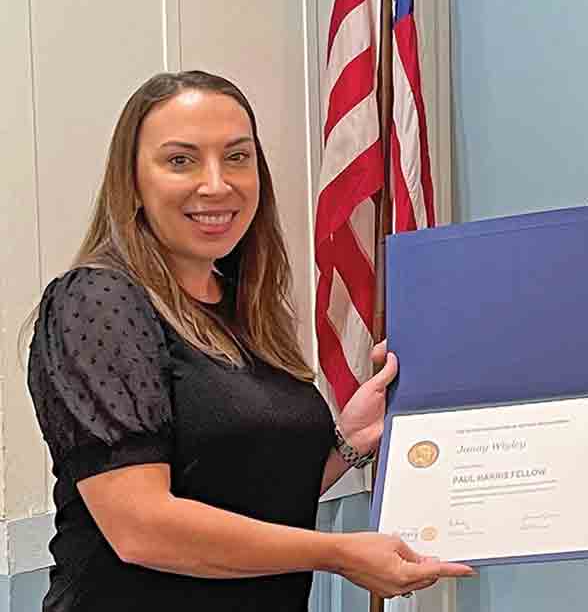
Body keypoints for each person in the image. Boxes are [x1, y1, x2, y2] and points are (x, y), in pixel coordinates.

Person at [26, 70, 473, 612]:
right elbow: (140, 527)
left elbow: (242, 487)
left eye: (237, 157)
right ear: (133, 182)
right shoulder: (98, 299)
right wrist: (336, 553)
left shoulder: (240, 306)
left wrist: (349, 441)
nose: (216, 184)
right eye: (180, 160)